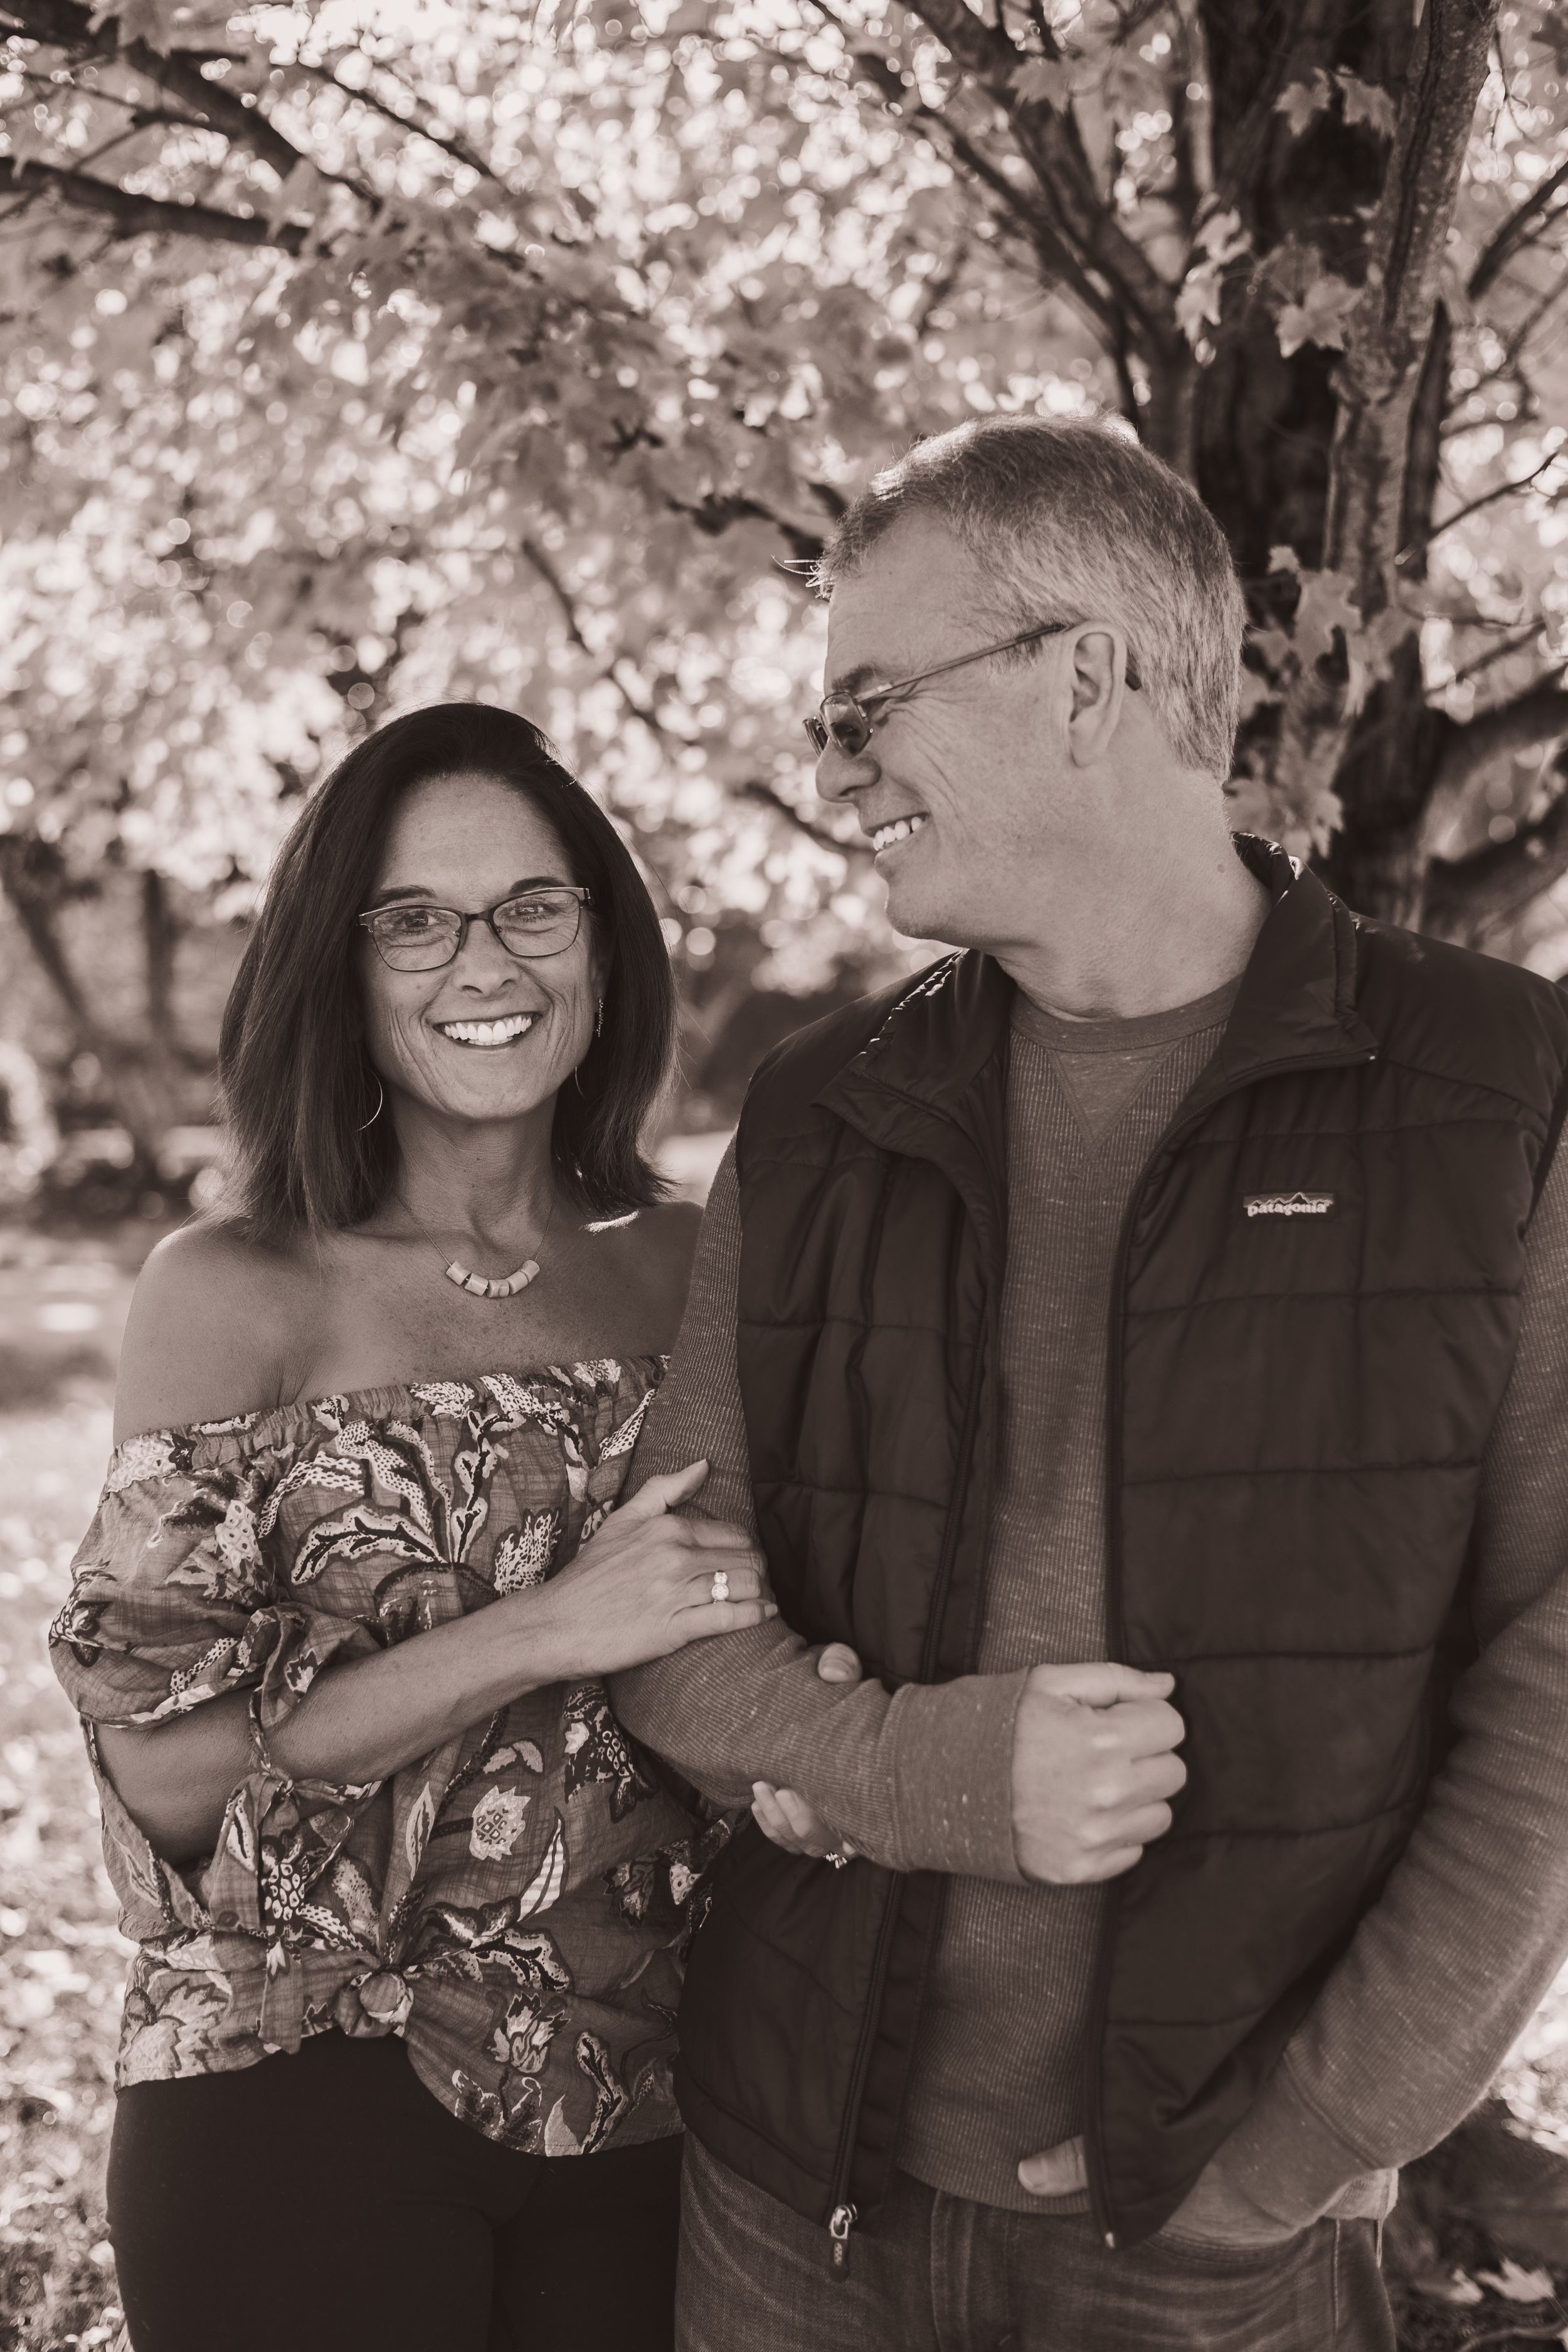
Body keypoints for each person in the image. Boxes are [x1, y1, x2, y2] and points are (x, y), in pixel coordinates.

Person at [609, 415, 1568, 2351]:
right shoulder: (815, 1111)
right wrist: (934, 1777)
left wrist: (1312, 2135)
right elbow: (663, 1614)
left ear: (1084, 679)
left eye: (869, 701)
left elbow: (1555, 1669)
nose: (834, 765)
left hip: (1211, 2242)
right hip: (792, 2200)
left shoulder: (1497, 1093)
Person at [48, 702, 774, 2352]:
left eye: (532, 905)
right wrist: (546, 1628)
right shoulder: (236, 1292)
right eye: (413, 919)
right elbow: (163, 1768)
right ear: (340, 963)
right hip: (302, 2087)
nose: (483, 963)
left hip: (655, 2092)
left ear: (602, 943)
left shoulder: (695, 1261)